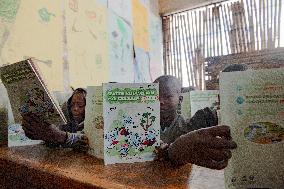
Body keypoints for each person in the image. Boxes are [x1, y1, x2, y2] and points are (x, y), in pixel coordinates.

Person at [154, 75, 237, 170]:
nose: (160, 101)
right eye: (155, 97)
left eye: (167, 96)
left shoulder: (192, 127)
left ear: (180, 100)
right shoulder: (143, 128)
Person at [21, 88, 88, 151]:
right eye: (72, 104)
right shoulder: (65, 113)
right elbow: (53, 138)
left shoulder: (91, 121)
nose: (75, 108)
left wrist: (59, 136)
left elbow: (86, 142)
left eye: (80, 105)